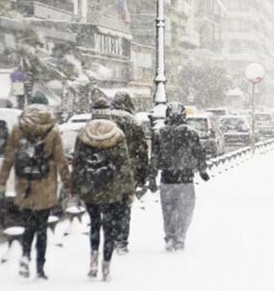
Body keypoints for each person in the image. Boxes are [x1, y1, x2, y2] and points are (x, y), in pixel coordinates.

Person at [0, 99, 69, 279]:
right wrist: (68, 182)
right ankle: (40, 267)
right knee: (42, 228)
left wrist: (2, 181)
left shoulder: (18, 129)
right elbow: (61, 160)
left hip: (24, 184)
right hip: (46, 184)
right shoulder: (53, 131)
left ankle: (25, 256)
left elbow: (8, 158)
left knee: (27, 225)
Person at [72, 97, 135, 281]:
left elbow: (77, 163)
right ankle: (106, 267)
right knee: (109, 228)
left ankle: (93, 261)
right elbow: (124, 164)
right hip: (111, 188)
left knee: (94, 225)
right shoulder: (117, 134)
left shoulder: (84, 134)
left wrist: (75, 189)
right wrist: (129, 189)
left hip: (91, 187)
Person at [148, 102, 209, 252]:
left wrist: (152, 176)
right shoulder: (191, 133)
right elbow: (198, 153)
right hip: (185, 180)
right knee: (185, 211)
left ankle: (169, 237)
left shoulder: (159, 133)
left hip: (167, 180)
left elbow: (154, 157)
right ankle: (180, 237)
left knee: (168, 210)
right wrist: (202, 171)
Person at [93, 93, 148, 254]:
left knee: (108, 207)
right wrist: (142, 174)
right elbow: (142, 150)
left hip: (106, 172)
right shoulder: (134, 122)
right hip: (126, 173)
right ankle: (121, 241)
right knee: (124, 208)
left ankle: (110, 236)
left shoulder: (104, 121)